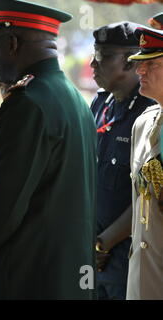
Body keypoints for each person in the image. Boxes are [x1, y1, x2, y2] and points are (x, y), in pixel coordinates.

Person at [0, 0, 97, 299]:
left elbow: (6, 201)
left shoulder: (27, 103)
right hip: (66, 275)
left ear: (12, 44)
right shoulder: (74, 100)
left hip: (25, 276)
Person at [89, 21, 155, 300]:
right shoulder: (101, 104)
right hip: (92, 249)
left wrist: (103, 244)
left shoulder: (149, 112)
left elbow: (146, 193)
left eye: (103, 56)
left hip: (127, 251)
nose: (93, 64)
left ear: (130, 62)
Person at [126, 26, 163, 299]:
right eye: (140, 64)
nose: (140, 71)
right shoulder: (143, 123)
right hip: (143, 274)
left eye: (152, 64)